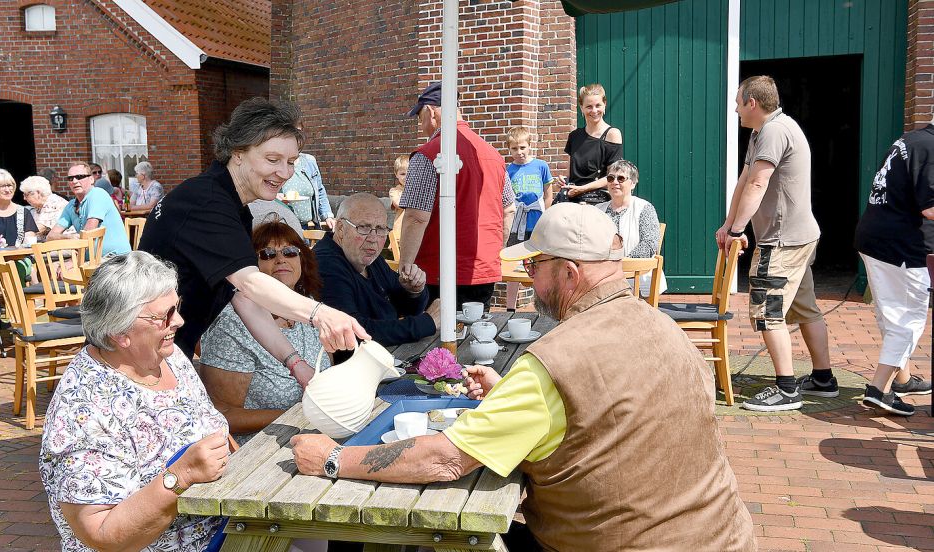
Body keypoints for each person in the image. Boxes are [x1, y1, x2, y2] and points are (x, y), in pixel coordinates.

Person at [291, 204, 756, 552]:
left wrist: (334, 459)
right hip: (722, 536)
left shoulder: (555, 360)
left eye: (534, 267)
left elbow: (446, 460)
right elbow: (612, 419)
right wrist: (513, 395)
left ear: (570, 274)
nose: (527, 278)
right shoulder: (666, 328)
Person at [138, 96, 367, 375]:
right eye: (273, 159)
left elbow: (243, 297)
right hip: (135, 355)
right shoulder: (207, 202)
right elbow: (250, 284)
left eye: (292, 161)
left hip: (165, 350)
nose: (284, 173)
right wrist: (321, 314)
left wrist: (295, 363)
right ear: (237, 152)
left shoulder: (234, 206)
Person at [39, 251, 231, 552]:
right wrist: (182, 475)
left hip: (223, 530)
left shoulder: (165, 355)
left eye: (176, 307)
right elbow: (101, 534)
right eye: (164, 315)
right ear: (119, 333)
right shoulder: (85, 408)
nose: (178, 321)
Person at [718, 75, 834, 412]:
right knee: (803, 307)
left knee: (768, 311)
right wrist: (729, 224)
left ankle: (786, 389)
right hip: (800, 237)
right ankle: (824, 379)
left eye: (738, 103)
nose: (736, 109)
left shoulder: (773, 131)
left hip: (781, 241)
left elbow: (758, 183)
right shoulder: (761, 132)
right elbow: (744, 180)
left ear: (752, 103)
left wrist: (739, 231)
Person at [200, 221, 331, 444]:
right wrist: (295, 416)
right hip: (263, 451)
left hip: (318, 431)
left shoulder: (306, 307)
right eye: (267, 254)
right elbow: (221, 414)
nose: (281, 259)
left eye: (290, 252)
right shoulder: (233, 326)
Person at [398, 82, 516, 307]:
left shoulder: (428, 155)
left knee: (433, 340)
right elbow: (508, 209)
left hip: (436, 271)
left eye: (419, 117)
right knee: (477, 337)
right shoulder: (494, 155)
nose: (420, 125)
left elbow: (416, 217)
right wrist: (494, 251)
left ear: (431, 111)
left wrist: (405, 268)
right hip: (483, 269)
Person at [853, 123, 934, 416]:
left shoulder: (911, 139)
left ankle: (902, 379)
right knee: (909, 320)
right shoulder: (931, 148)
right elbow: (930, 208)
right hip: (902, 247)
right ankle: (878, 389)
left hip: (874, 239)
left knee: (891, 315)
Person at [315, 193, 439, 353]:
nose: (373, 238)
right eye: (364, 228)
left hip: (389, 356)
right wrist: (427, 323)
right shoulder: (326, 264)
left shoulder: (369, 258)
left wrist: (413, 292)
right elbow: (354, 331)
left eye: (381, 229)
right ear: (340, 229)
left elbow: (404, 308)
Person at [594, 159, 667, 295]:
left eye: (621, 178)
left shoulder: (644, 208)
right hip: (603, 281)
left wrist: (621, 266)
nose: (615, 182)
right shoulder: (598, 210)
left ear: (632, 183)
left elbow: (649, 245)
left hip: (638, 280)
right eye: (611, 178)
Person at [46, 161, 132, 256]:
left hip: (115, 259)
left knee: (60, 267)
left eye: (80, 177)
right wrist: (70, 237)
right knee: (47, 266)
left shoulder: (98, 194)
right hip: (90, 260)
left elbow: (88, 233)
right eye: (70, 178)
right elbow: (50, 236)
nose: (74, 181)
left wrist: (74, 261)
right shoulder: (71, 205)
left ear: (91, 179)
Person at [557, 83, 624, 205]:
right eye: (589, 106)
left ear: (605, 105)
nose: (594, 111)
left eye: (598, 105)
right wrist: (563, 181)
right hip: (572, 195)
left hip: (599, 199)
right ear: (581, 107)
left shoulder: (612, 134)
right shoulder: (574, 136)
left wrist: (582, 189)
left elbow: (612, 176)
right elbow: (570, 174)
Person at [505, 126, 554, 245]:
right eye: (514, 149)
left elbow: (548, 194)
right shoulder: (508, 170)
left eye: (522, 148)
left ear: (529, 146)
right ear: (509, 149)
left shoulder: (541, 166)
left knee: (537, 255)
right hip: (516, 221)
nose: (519, 152)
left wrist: (546, 218)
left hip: (537, 218)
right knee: (515, 254)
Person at [280, 147, 335, 229]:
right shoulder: (276, 163)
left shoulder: (308, 161)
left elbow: (319, 191)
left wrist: (328, 216)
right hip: (284, 226)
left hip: (308, 226)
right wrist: (275, 198)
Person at [388, 154, 407, 243]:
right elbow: (400, 204)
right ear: (396, 174)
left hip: (416, 230)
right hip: (401, 232)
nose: (406, 177)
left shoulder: (418, 190)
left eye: (410, 173)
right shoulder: (394, 191)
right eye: (403, 174)